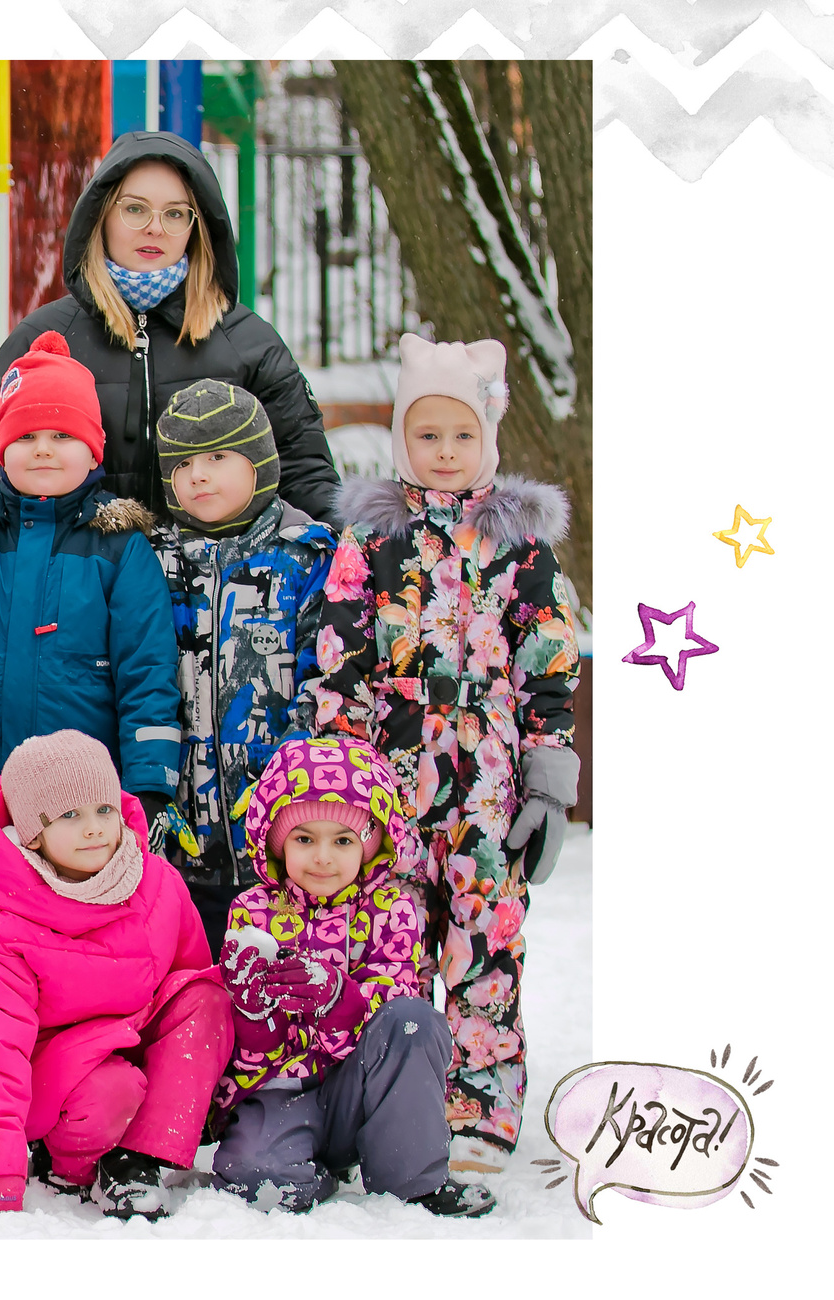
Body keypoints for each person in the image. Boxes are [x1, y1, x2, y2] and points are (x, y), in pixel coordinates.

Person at [307, 334, 582, 1175]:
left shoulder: (521, 548)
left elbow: (549, 665)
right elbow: (340, 659)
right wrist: (342, 777)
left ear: (488, 437)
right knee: (388, 937)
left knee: (483, 937)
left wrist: (548, 777)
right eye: (427, 435)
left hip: (487, 783)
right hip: (390, 778)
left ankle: (481, 1106)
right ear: (402, 440)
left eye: (463, 434)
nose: (446, 451)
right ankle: (396, 1102)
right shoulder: (370, 543)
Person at [0, 331, 180, 863]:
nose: (43, 448)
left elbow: (147, 672)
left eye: (62, 435)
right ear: (2, 451)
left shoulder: (120, 550)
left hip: (83, 810)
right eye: (26, 436)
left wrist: (150, 783)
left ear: (93, 450)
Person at [0, 132, 338, 523]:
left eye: (175, 213)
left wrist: (350, 544)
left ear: (197, 227)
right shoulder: (41, 340)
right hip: (78, 563)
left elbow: (304, 475)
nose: (155, 228)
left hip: (222, 565)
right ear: (101, 216)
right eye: (135, 209)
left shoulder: (249, 342)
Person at [0, 730, 229, 1219]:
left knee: (207, 997)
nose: (94, 829)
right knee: (112, 1090)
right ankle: (68, 1164)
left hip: (132, 1046)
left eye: (104, 810)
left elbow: (188, 981)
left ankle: (139, 1160)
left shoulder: (157, 883)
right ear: (32, 833)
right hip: (55, 1080)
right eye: (70, 816)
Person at [209, 735, 497, 1218]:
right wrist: (252, 1012)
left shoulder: (392, 911)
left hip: (361, 1092)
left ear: (372, 845)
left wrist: (337, 998)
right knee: (256, 1182)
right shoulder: (253, 911)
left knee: (411, 1020)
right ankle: (302, 1169)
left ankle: (413, 1178)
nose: (323, 857)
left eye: (343, 840)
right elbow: (248, 1054)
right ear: (276, 843)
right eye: (304, 839)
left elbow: (393, 1005)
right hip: (281, 1092)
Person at [144, 379, 334, 953]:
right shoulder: (156, 561)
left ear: (259, 462)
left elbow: (326, 678)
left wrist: (292, 780)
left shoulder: (306, 555)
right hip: (185, 838)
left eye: (217, 458)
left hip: (285, 843)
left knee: (280, 983)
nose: (197, 476)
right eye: (182, 464)